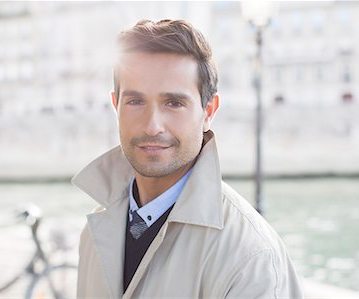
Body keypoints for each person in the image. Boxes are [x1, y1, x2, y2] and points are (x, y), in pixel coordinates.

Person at [72, 19, 303, 298]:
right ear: (115, 106)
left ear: (208, 111)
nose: (152, 126)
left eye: (174, 103)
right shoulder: (94, 234)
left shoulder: (251, 257)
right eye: (136, 101)